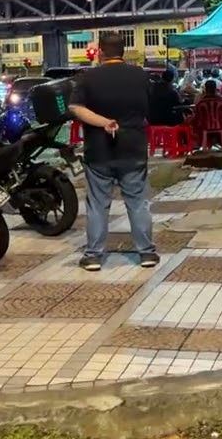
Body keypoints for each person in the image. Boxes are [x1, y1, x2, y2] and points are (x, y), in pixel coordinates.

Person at [68, 32, 159, 272]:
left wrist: (102, 121)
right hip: (133, 149)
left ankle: (94, 256)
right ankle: (147, 253)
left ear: (101, 51)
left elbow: (75, 107)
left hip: (99, 151)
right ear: (123, 52)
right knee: (138, 203)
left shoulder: (88, 78)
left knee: (98, 205)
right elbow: (149, 108)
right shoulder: (140, 76)